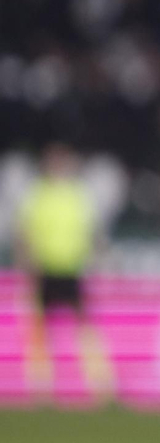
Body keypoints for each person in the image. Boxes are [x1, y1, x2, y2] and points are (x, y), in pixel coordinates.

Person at [16, 141, 115, 405]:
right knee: (40, 330)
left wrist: (97, 258)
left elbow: (92, 231)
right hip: (45, 269)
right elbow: (25, 232)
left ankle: (101, 386)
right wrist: (27, 263)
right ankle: (41, 387)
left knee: (84, 328)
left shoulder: (77, 194)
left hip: (72, 270)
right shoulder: (39, 194)